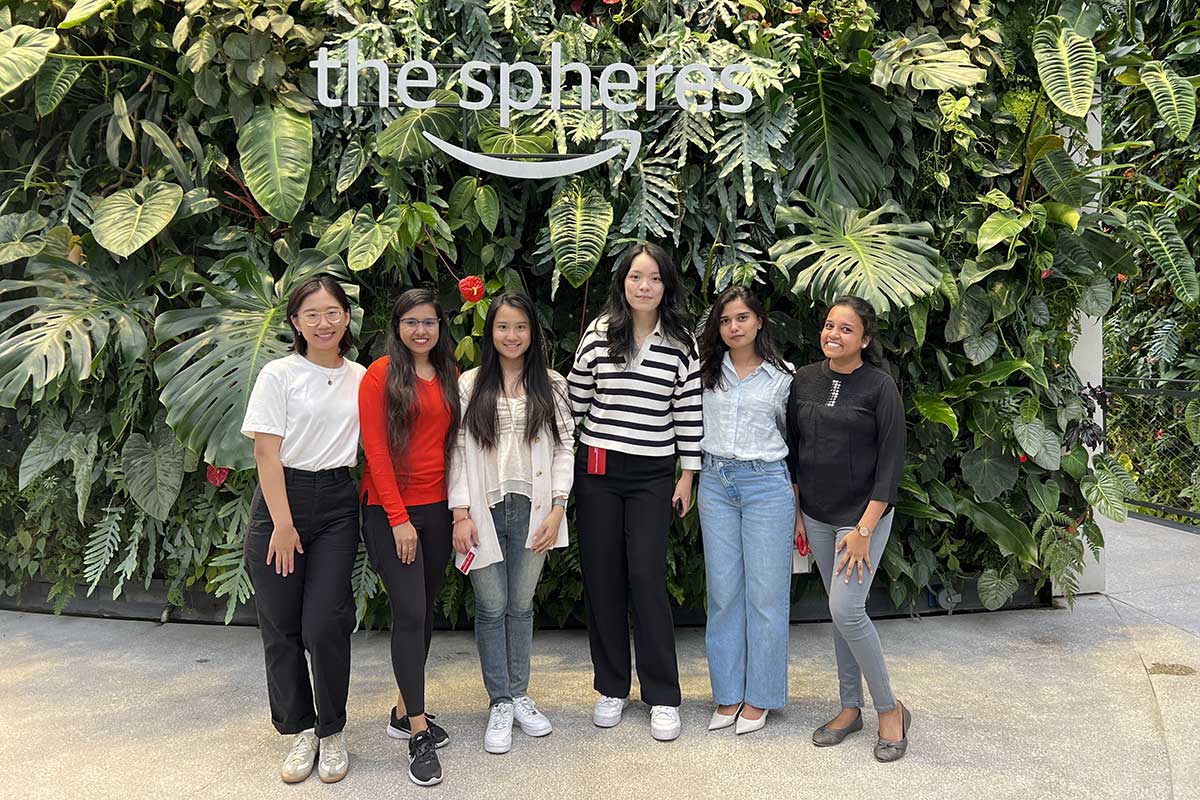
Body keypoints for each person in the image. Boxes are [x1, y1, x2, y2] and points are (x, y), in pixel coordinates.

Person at [567, 241, 702, 742]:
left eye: (653, 278)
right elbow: (576, 405)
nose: (643, 287)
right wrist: (564, 473)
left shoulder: (680, 342)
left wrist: (688, 474)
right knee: (603, 577)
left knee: (647, 577)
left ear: (666, 286)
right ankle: (611, 687)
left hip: (652, 472)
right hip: (598, 469)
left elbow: (687, 410)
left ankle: (663, 695)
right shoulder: (599, 334)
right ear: (622, 282)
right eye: (635, 277)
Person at [240, 275, 366, 784]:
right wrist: (284, 524)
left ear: (346, 317)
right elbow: (265, 452)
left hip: (337, 501)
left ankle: (332, 730)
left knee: (326, 623)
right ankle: (300, 731)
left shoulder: (362, 376)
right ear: (295, 322)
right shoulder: (278, 374)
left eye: (332, 312)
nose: (323, 322)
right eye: (311, 314)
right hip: (279, 504)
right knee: (282, 626)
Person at [447, 292, 575, 755]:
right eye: (503, 327)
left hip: (535, 507)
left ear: (532, 332)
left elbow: (565, 448)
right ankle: (499, 700)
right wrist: (460, 512)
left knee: (521, 605)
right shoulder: (469, 384)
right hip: (483, 508)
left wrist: (558, 506)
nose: (512, 335)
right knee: (491, 604)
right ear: (491, 332)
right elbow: (458, 450)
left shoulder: (552, 384)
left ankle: (520, 693)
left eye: (521, 327)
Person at [786, 295, 912, 762]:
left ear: (865, 338)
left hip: (863, 519)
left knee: (847, 608)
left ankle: (890, 710)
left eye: (845, 329)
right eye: (828, 326)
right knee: (840, 613)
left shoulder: (879, 387)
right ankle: (848, 708)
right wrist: (799, 513)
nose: (833, 335)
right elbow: (795, 451)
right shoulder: (804, 380)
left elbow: (891, 462)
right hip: (816, 515)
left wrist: (863, 527)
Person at [358, 288, 461, 786]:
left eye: (430, 322)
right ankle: (417, 731)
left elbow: (453, 446)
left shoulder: (448, 374)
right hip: (389, 512)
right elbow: (375, 453)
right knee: (410, 612)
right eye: (411, 322)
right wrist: (398, 519)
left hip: (437, 508)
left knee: (425, 612)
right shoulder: (380, 375)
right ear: (396, 326)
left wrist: (455, 511)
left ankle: (403, 710)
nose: (421, 330)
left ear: (440, 326)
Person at [696, 286, 795, 735]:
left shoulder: (783, 376)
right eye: (724, 320)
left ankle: (761, 697)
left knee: (767, 596)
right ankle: (729, 693)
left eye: (741, 318)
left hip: (766, 485)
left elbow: (798, 442)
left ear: (758, 320)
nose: (733, 327)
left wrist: (798, 504)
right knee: (723, 594)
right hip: (715, 483)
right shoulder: (706, 372)